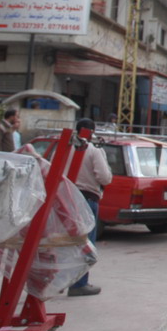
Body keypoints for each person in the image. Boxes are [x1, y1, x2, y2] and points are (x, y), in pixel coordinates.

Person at [67, 118, 113, 296]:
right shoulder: (93, 150)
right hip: (87, 199)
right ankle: (79, 284)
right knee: (85, 243)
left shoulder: (64, 148)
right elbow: (104, 177)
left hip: (65, 198)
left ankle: (62, 281)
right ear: (92, 132)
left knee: (66, 242)